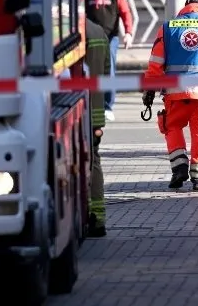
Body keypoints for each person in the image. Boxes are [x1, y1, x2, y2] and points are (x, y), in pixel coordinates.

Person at [142, 0, 198, 192]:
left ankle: (179, 168)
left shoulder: (168, 27)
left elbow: (156, 63)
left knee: (173, 126)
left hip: (175, 91)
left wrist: (149, 90)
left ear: (185, 8)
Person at [83, 0, 134, 122]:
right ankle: (92, 104)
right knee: (90, 70)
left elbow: (125, 12)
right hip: (91, 37)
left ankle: (108, 106)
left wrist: (128, 33)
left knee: (109, 69)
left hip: (110, 37)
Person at [84, 17, 111, 237]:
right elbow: (106, 71)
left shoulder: (65, 32)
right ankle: (98, 217)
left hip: (77, 110)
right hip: (96, 112)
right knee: (93, 162)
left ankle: (87, 215)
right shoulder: (98, 31)